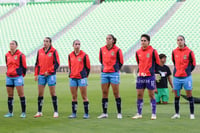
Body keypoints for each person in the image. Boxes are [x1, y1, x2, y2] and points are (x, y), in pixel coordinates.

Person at [132, 34, 160, 120]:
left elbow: (158, 63)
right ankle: (139, 113)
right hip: (140, 76)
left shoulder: (153, 51)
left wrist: (154, 73)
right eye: (142, 41)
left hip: (149, 76)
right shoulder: (138, 52)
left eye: (145, 41)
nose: (143, 42)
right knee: (139, 95)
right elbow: (138, 63)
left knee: (151, 95)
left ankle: (154, 114)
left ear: (148, 42)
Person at [97, 34, 124, 119]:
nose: (108, 40)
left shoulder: (117, 50)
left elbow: (121, 62)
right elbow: (101, 60)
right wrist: (105, 67)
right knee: (104, 93)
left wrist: (115, 69)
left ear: (113, 40)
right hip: (104, 73)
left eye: (109, 38)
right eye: (107, 38)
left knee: (116, 93)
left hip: (114, 73)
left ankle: (119, 113)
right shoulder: (102, 49)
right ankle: (104, 113)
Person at [34, 37, 60, 118]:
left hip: (50, 75)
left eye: (47, 41)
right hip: (41, 75)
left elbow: (57, 64)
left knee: (52, 93)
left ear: (50, 43)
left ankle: (56, 111)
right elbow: (37, 64)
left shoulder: (54, 51)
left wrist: (48, 71)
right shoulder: (40, 51)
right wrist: (36, 74)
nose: (45, 42)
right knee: (40, 93)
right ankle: (39, 111)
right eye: (44, 41)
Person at [171, 35, 196, 119]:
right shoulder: (174, 52)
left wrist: (187, 71)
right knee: (177, 95)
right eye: (178, 40)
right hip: (176, 78)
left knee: (189, 95)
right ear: (176, 42)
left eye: (181, 40)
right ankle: (177, 114)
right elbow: (174, 62)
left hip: (186, 78)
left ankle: (192, 114)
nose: (179, 41)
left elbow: (193, 64)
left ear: (184, 41)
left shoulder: (189, 52)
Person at [68, 40, 91, 119]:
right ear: (73, 45)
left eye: (78, 44)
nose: (77, 45)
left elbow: (88, 67)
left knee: (84, 96)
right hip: (73, 78)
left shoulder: (84, 55)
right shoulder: (70, 55)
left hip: (82, 78)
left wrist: (84, 76)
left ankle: (86, 113)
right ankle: (74, 113)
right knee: (74, 96)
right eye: (76, 44)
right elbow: (70, 66)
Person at [4, 40, 27, 118]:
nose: (11, 45)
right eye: (10, 44)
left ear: (16, 46)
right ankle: (10, 112)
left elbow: (24, 67)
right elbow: (7, 65)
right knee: (10, 95)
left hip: (18, 77)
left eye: (13, 44)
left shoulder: (21, 55)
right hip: (9, 77)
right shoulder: (7, 54)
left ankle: (23, 112)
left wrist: (20, 75)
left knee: (21, 94)